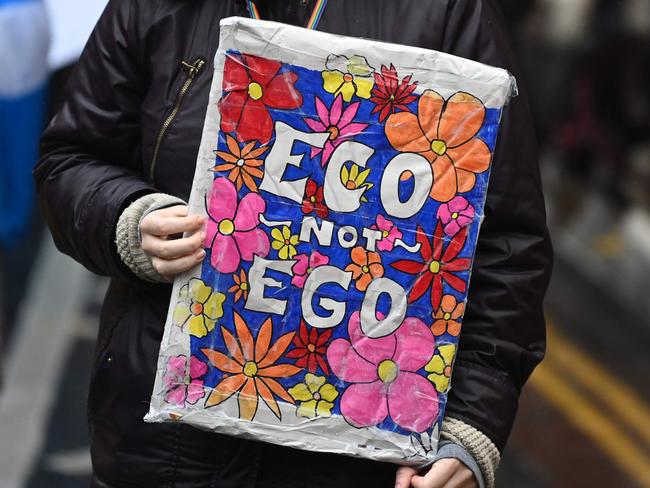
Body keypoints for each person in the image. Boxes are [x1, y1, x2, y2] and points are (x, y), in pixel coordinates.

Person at [34, 1, 553, 487]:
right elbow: (71, 159)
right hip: (164, 450)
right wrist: (128, 220)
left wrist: (470, 425)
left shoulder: (447, 11)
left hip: (356, 459)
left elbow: (507, 244)